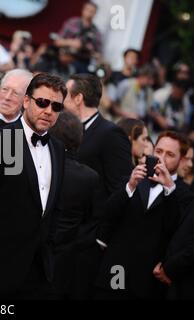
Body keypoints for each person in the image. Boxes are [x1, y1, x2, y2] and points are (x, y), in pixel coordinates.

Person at [0, 72, 66, 299]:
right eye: (42, 102)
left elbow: (54, 207)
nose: (48, 110)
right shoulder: (0, 139)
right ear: (26, 101)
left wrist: (49, 254)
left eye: (56, 106)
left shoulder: (58, 149)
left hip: (38, 269)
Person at [95, 131, 194, 299]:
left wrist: (170, 189)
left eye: (170, 154)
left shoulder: (185, 195)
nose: (162, 158)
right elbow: (107, 214)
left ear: (182, 159)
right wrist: (130, 186)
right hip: (116, 270)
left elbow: (175, 231)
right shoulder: (132, 179)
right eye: (159, 151)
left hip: (150, 282)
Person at [49, 111, 103, 299]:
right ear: (80, 138)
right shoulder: (90, 177)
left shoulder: (41, 167)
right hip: (70, 259)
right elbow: (92, 219)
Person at [65, 73, 133, 197]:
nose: (61, 99)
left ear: (78, 98)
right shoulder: (63, 129)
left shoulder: (111, 134)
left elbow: (120, 188)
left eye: (65, 94)